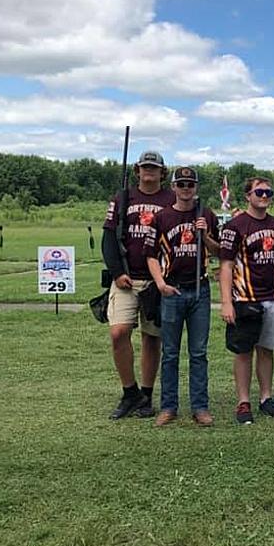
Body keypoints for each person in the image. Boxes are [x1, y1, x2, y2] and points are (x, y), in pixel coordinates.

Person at [143, 166, 220, 427]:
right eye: (182, 184)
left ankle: (200, 407)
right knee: (171, 353)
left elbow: (220, 251)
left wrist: (205, 235)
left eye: (190, 184)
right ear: (173, 187)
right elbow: (151, 255)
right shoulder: (162, 217)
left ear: (196, 187)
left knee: (198, 352)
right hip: (172, 290)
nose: (186, 188)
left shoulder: (206, 214)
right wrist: (161, 284)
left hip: (200, 288)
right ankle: (168, 406)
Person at [101, 150, 173, 420]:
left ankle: (146, 394)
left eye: (154, 167)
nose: (149, 171)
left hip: (158, 280)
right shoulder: (122, 198)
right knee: (119, 332)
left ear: (162, 172)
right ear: (138, 170)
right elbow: (109, 238)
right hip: (127, 279)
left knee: (152, 338)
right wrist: (117, 271)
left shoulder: (171, 199)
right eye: (145, 167)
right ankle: (129, 392)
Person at [219, 176, 274, 425]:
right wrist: (226, 302)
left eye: (268, 193)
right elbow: (226, 265)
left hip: (272, 297)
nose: (264, 197)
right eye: (259, 192)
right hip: (244, 298)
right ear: (248, 195)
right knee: (243, 351)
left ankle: (266, 397)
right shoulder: (235, 226)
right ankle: (243, 401)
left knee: (267, 349)